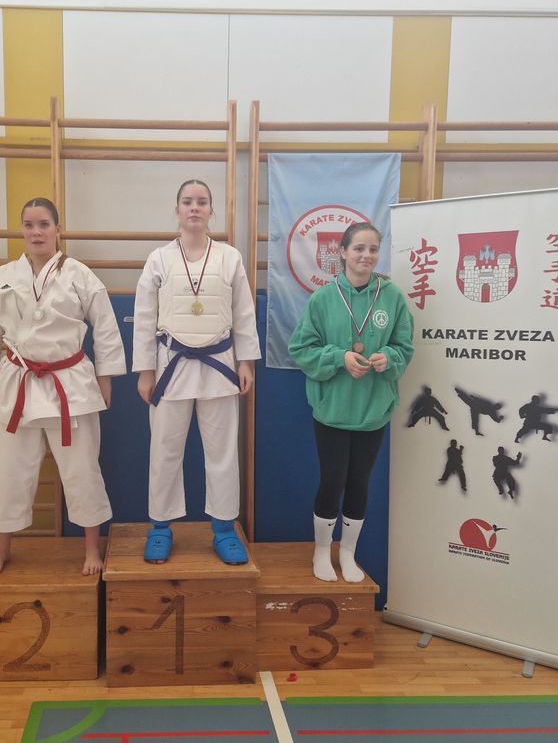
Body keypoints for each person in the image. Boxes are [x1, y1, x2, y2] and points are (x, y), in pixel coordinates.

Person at [0, 197, 126, 577]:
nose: (36, 232)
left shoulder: (80, 275)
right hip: (18, 382)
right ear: (22, 230)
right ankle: (2, 548)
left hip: (70, 384)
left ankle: (92, 547)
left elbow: (105, 328)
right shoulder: (5, 276)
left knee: (82, 469)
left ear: (58, 229)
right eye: (29, 225)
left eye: (43, 224)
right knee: (8, 471)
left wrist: (105, 378)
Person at [133, 179, 260, 565]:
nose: (194, 208)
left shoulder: (229, 257)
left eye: (202, 202)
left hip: (218, 365)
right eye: (187, 201)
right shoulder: (159, 259)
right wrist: (144, 371)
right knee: (164, 449)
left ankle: (224, 528)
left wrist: (246, 362)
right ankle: (160, 527)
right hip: (170, 365)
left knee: (222, 451)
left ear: (211, 210)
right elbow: (144, 318)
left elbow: (243, 312)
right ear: (177, 210)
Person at [288, 222, 414, 583]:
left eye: (373, 249)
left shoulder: (392, 297)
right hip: (333, 409)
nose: (366, 255)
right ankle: (321, 551)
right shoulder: (323, 299)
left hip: (373, 409)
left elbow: (404, 346)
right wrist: (338, 357)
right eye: (358, 248)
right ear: (342, 252)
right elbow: (300, 348)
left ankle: (348, 553)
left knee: (360, 482)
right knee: (332, 480)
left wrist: (389, 358)